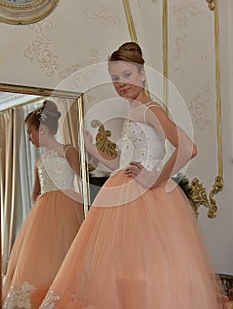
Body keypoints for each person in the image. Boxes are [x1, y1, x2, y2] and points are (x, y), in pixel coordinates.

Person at [39, 42, 225, 308]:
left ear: (142, 74)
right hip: (122, 195)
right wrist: (92, 149)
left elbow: (187, 148)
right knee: (121, 277)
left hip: (144, 201)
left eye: (127, 75)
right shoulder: (135, 111)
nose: (121, 83)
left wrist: (153, 179)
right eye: (115, 78)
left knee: (143, 276)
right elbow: (122, 164)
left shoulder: (150, 109)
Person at [2, 100, 84, 309]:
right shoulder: (39, 161)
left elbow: (82, 180)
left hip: (68, 207)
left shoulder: (68, 151)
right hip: (44, 213)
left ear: (43, 129)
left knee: (66, 251)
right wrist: (42, 206)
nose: (29, 138)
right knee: (43, 256)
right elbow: (34, 194)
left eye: (30, 132)